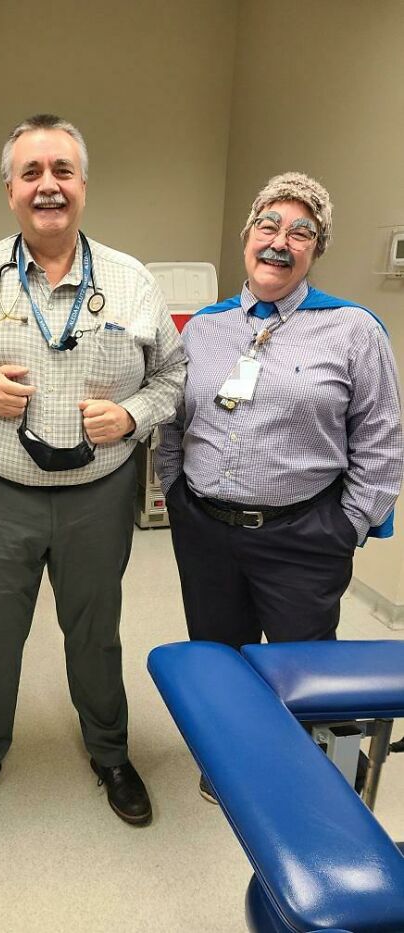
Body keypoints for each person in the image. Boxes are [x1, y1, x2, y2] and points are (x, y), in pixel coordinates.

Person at [0, 114, 186, 830]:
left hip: (97, 498)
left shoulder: (132, 281)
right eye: (32, 172)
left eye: (62, 171)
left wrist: (133, 414)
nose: (48, 186)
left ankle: (109, 751)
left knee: (96, 630)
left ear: (83, 186)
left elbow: (174, 371)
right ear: (10, 189)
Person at [155, 172, 403, 800]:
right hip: (206, 529)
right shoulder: (204, 329)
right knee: (217, 655)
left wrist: (349, 523)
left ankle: (299, 778)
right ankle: (229, 762)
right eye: (268, 226)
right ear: (247, 238)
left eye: (301, 233)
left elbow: (382, 437)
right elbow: (176, 420)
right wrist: (177, 495)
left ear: (315, 252)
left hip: (304, 532)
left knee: (305, 666)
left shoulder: (353, 330)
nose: (280, 242)